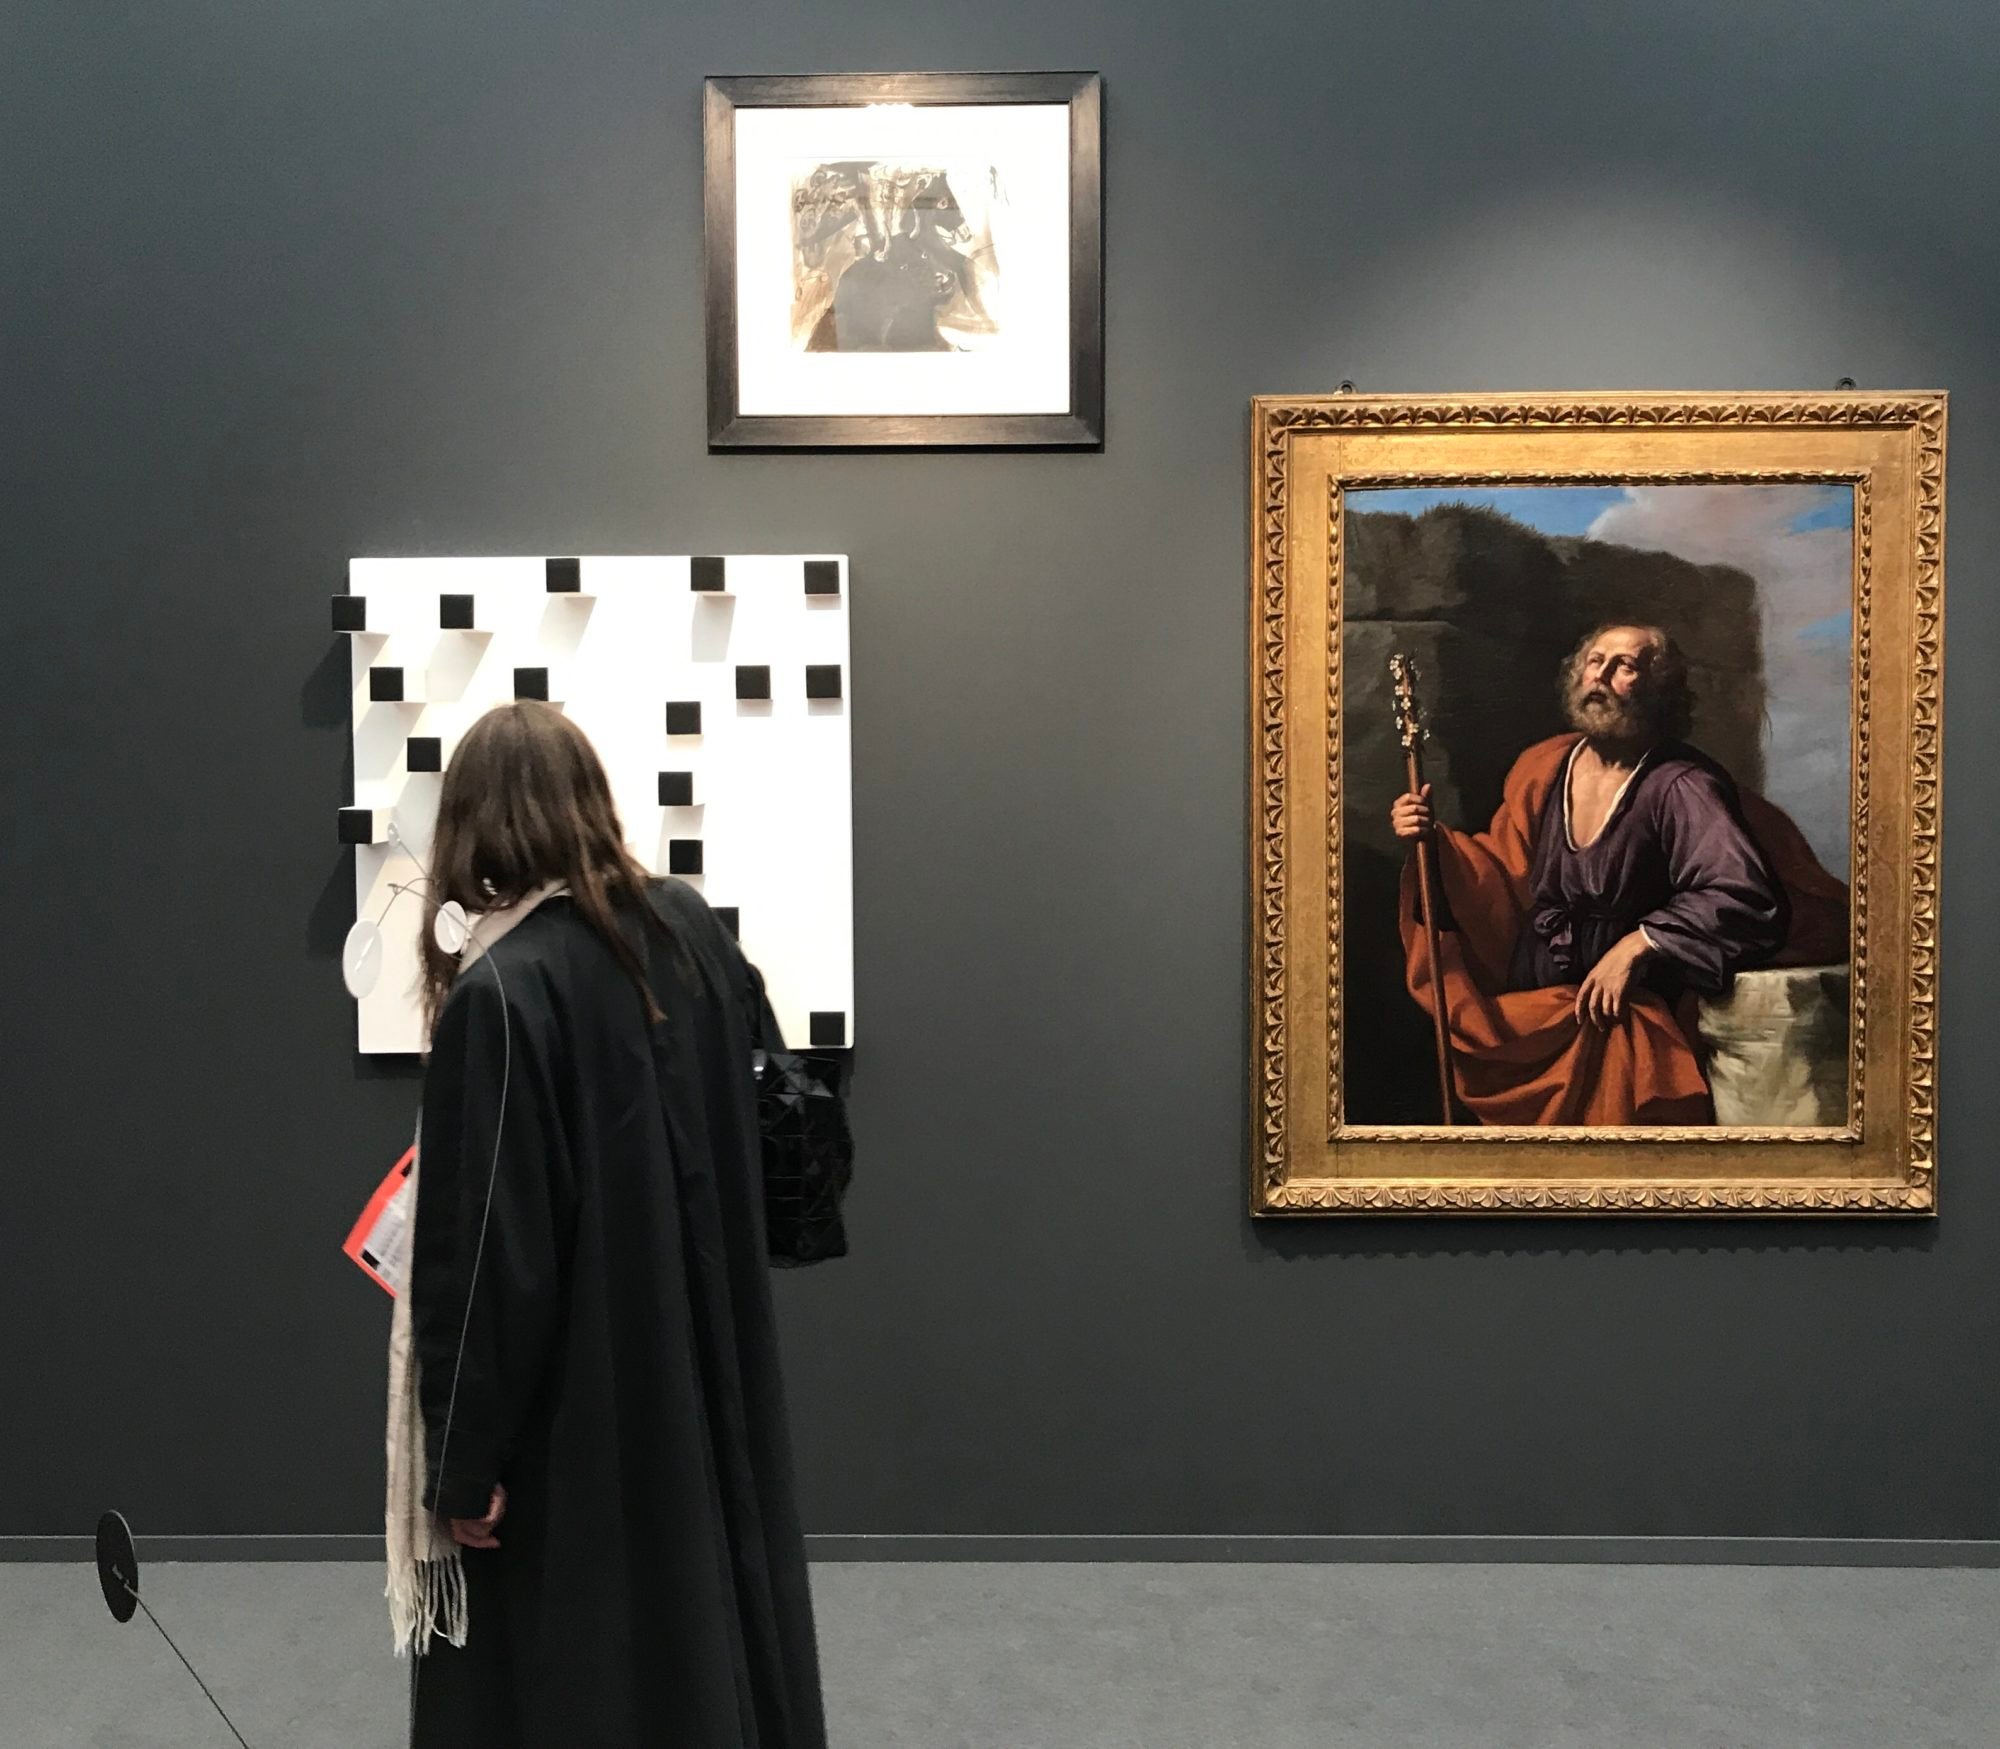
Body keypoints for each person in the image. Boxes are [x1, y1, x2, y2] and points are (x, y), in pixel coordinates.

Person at [390, 700, 827, 1748]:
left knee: (577, 1665)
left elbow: (490, 1253)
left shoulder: (500, 995)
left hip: (578, 1417)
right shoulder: (692, 937)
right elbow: (793, 1140)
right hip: (710, 1369)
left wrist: (459, 1461)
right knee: (709, 1626)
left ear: (472, 828)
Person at [1388, 623, 1848, 1125]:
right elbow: (1500, 871)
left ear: (1658, 688)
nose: (1601, 676)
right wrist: (1432, 843)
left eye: (1624, 666)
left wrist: (1637, 945)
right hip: (1533, 1009)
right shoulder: (1545, 766)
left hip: (1617, 1016)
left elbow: (1739, 892)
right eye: (1594, 661)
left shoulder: (1682, 786)